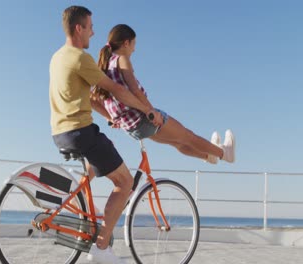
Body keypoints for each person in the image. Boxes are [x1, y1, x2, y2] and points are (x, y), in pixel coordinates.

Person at [49, 6, 163, 264]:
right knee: (124, 183)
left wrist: (110, 117)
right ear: (79, 28)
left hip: (61, 132)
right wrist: (148, 110)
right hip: (81, 132)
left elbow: (86, 97)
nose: (93, 31)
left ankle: (87, 214)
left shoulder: (58, 57)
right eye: (90, 26)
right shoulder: (80, 58)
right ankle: (101, 249)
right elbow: (117, 90)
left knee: (93, 165)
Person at [91, 24, 235, 164]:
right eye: (134, 44)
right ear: (126, 43)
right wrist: (151, 112)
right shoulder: (122, 59)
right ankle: (224, 153)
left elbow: (97, 98)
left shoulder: (105, 65)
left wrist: (112, 118)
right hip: (142, 118)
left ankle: (208, 156)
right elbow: (134, 90)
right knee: (187, 136)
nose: (134, 49)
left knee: (178, 143)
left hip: (131, 128)